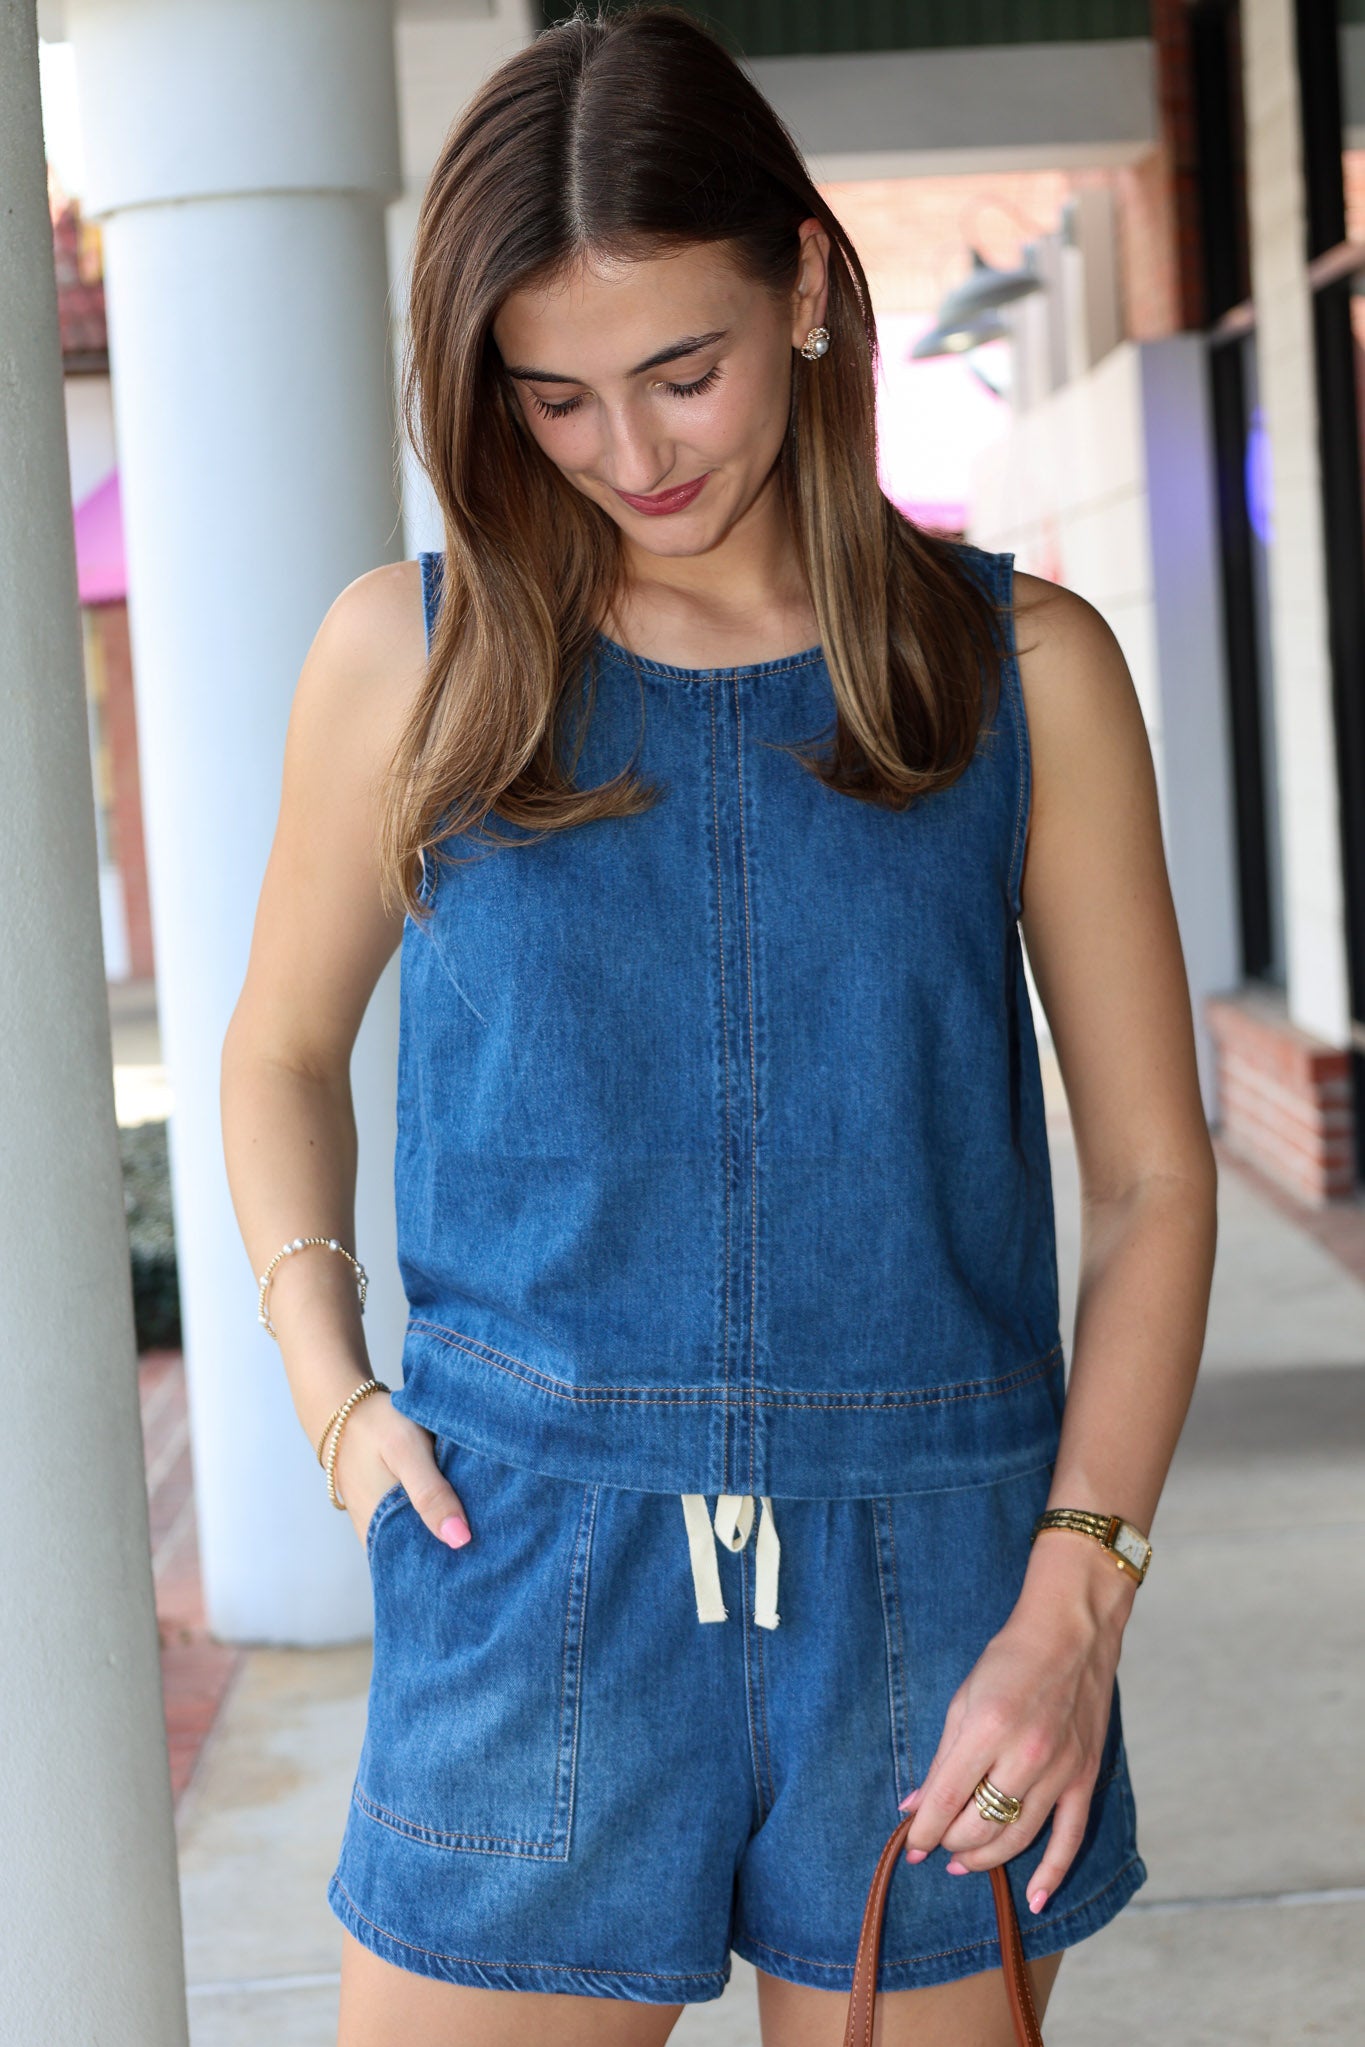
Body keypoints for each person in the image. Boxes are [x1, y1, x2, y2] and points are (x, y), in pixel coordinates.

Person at [220, 6, 1218, 2043]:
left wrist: (1075, 1595)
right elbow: (274, 1052)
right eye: (556, 397)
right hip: (527, 1567)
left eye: (684, 369)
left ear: (804, 288)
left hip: (934, 1589)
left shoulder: (1020, 674)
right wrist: (336, 1403)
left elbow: (1145, 1171)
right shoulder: (406, 660)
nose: (635, 451)